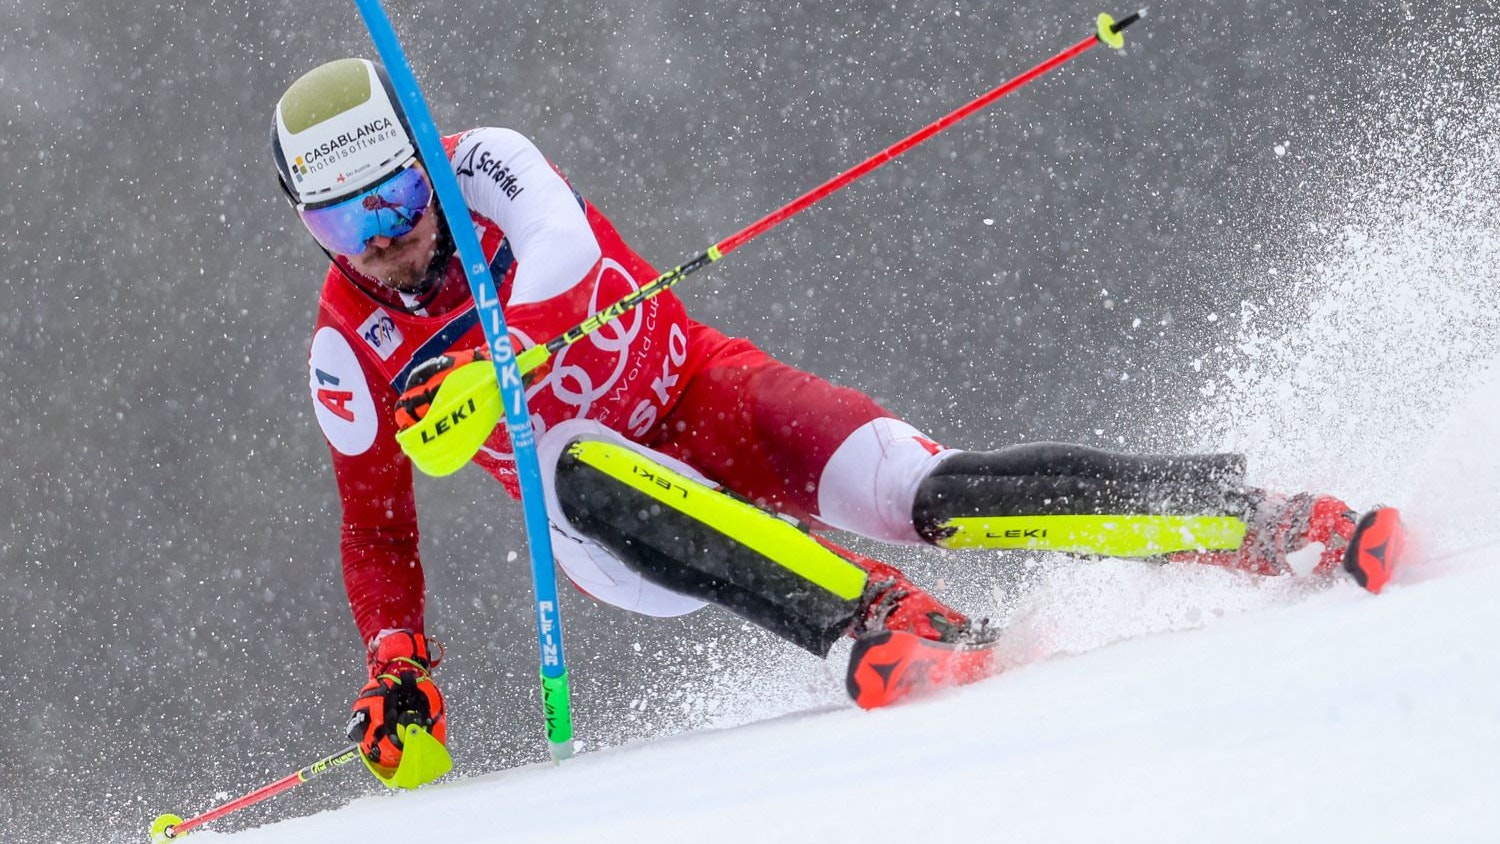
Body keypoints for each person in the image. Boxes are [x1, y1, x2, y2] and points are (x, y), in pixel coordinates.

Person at [271, 58, 1384, 780]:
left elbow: (561, 251)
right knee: (567, 458)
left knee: (925, 491)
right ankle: (870, 620)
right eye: (338, 219)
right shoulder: (346, 353)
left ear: (425, 156)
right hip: (615, 528)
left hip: (709, 394)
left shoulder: (487, 165)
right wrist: (398, 667)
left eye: (392, 194)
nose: (380, 238)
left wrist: (486, 356)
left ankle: (1256, 520)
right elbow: (376, 532)